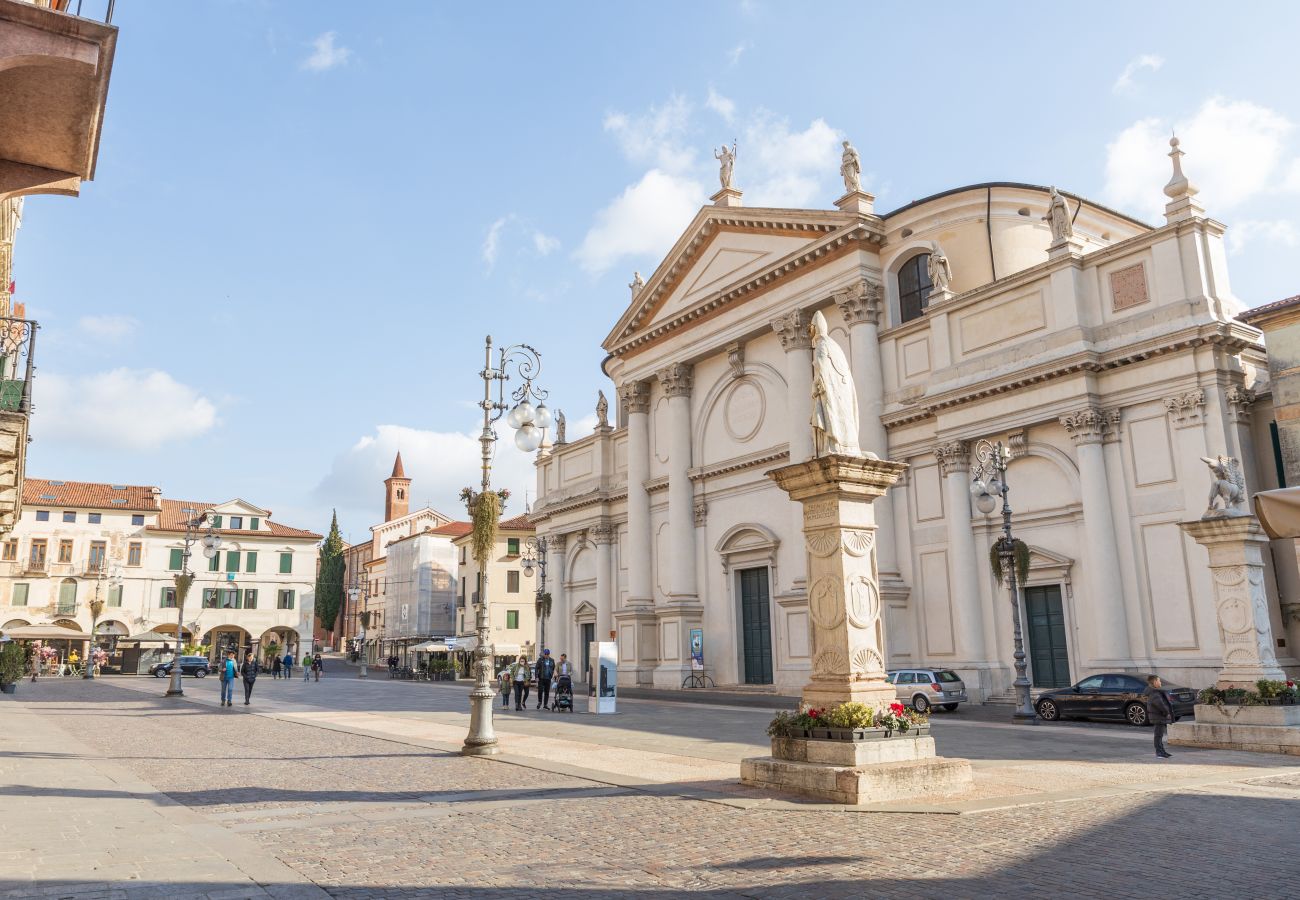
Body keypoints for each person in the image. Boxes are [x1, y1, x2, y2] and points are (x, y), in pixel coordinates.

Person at [1144, 674, 1174, 758]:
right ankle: (1159, 752)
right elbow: (1160, 705)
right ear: (1155, 682)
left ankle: (1162, 751)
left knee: (1159, 735)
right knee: (1158, 735)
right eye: (1159, 680)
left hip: (1158, 716)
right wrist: (1166, 712)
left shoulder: (1154, 691)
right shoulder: (1154, 693)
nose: (1160, 682)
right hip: (1158, 717)